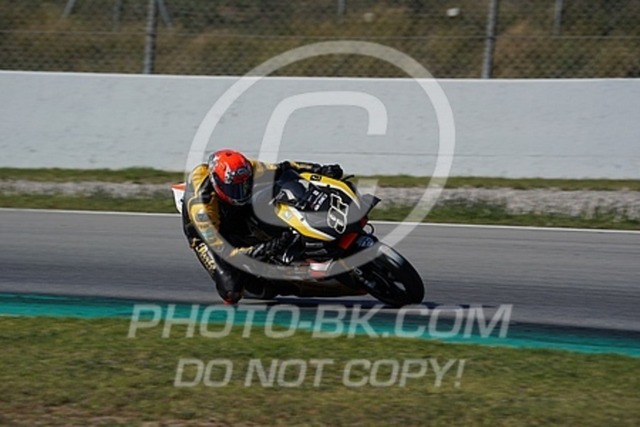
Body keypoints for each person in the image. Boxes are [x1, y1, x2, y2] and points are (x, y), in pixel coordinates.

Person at [182, 148, 343, 304]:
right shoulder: (202, 208)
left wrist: (320, 169)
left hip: (231, 209)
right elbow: (226, 252)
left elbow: (284, 167)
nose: (241, 192)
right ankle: (276, 282)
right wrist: (268, 248)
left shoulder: (248, 169)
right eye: (234, 189)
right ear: (217, 183)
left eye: (244, 185)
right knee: (231, 291)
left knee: (270, 195)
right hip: (208, 237)